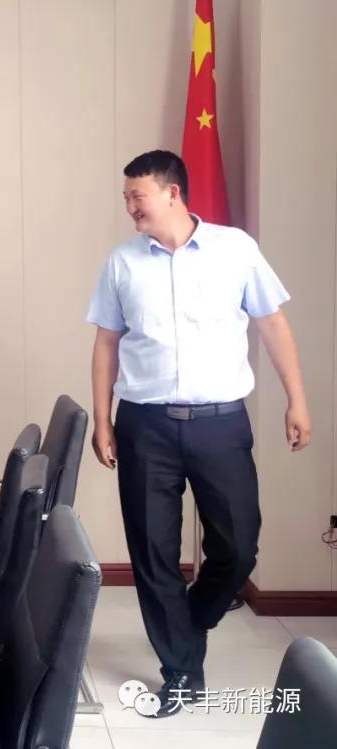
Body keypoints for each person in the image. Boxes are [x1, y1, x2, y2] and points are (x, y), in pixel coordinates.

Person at [87, 150, 312, 718]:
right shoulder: (121, 263)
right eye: (126, 197)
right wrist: (102, 418)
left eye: (138, 195)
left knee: (238, 547)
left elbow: (272, 323)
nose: (130, 206)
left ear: (172, 193)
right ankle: (182, 671)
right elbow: (106, 342)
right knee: (153, 553)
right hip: (145, 425)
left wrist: (297, 399)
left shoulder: (235, 249)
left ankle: (188, 620)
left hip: (220, 424)